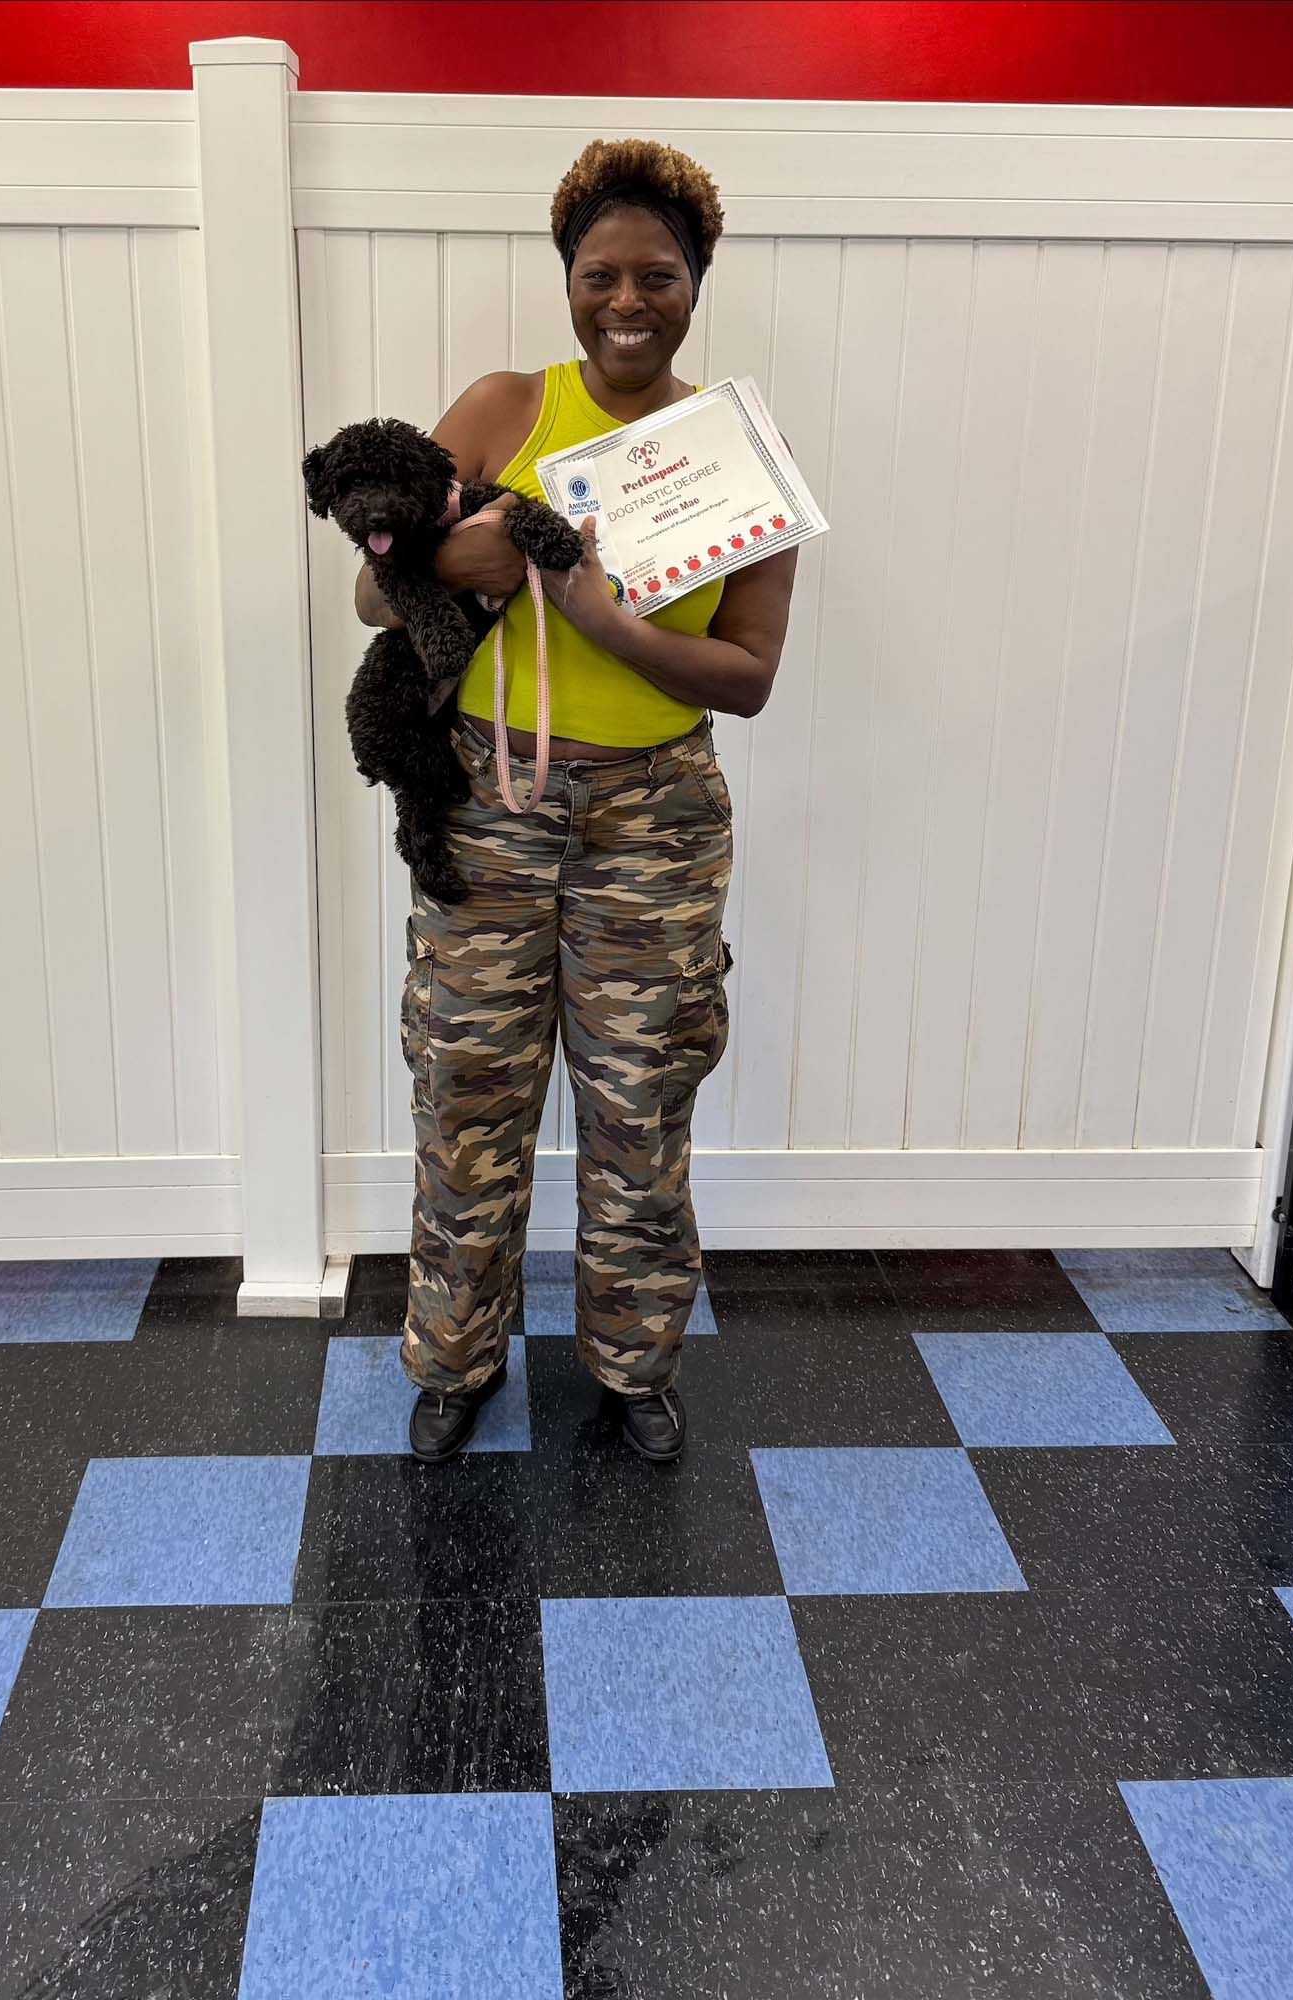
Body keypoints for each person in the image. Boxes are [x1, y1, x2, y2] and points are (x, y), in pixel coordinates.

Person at [354, 138, 799, 1463]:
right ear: (565, 281)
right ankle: (455, 1359)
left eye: (656, 274)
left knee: (640, 1099)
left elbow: (752, 677)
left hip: (656, 816)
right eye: (600, 273)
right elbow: (375, 591)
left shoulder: (731, 453)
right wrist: (460, 553)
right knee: (466, 1089)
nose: (627, 300)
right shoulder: (501, 411)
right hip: (486, 796)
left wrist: (598, 616)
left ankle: (634, 1365)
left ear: (696, 282)